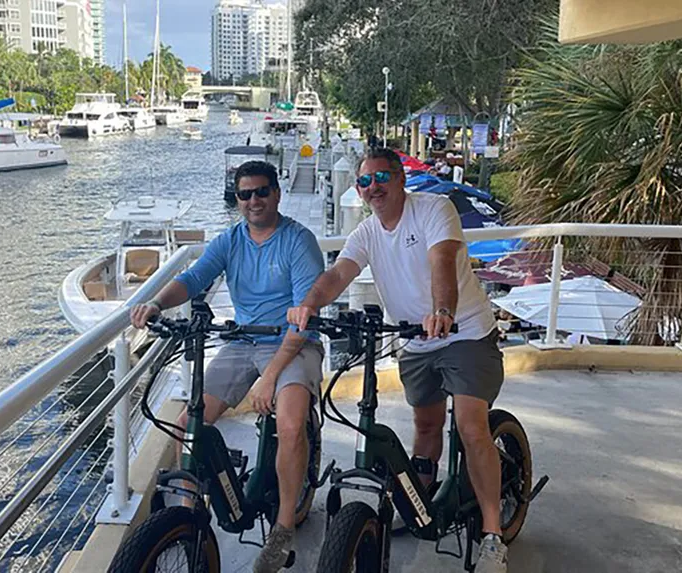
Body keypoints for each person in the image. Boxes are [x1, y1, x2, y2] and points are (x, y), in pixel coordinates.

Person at [287, 147, 509, 573]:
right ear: (358, 189)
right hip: (414, 339)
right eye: (365, 182)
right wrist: (308, 305)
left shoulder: (433, 210)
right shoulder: (367, 232)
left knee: (469, 424)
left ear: (401, 179)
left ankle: (494, 534)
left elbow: (441, 261)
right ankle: (420, 500)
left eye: (382, 177)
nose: (374, 188)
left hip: (462, 332)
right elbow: (338, 274)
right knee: (425, 426)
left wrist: (442, 311)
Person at [129, 160, 325, 573]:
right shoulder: (231, 240)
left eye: (261, 192)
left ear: (276, 194)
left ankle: (284, 527)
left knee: (290, 425)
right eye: (244, 194)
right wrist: (157, 303)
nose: (253, 200)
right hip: (242, 341)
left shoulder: (298, 241)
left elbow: (305, 314)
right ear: (236, 200)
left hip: (292, 343)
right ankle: (182, 520)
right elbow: (195, 276)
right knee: (187, 424)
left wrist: (271, 376)